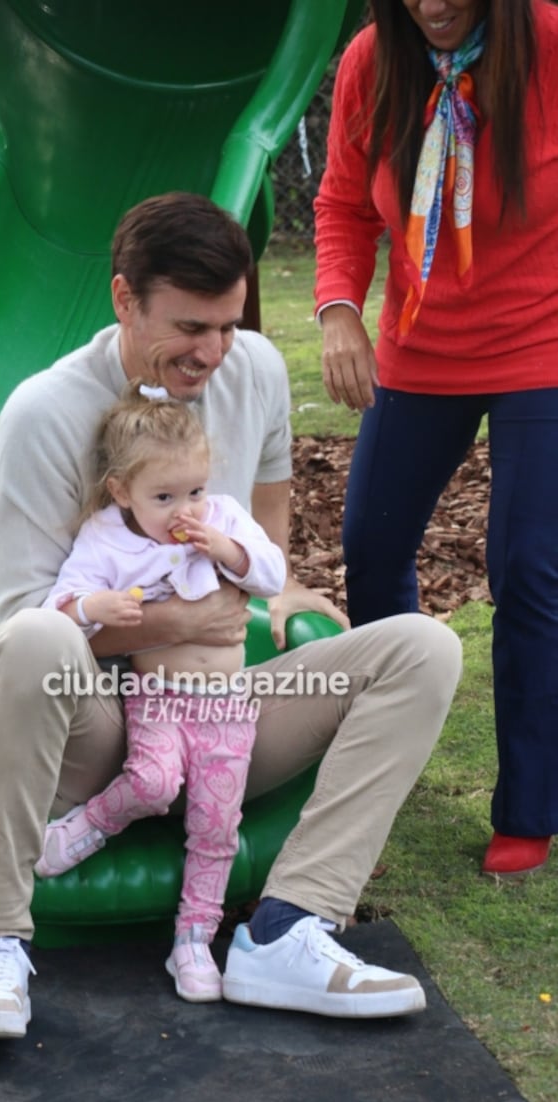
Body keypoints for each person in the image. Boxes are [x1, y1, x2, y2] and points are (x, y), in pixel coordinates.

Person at [0, 191, 462, 1041]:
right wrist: (185, 623)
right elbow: (32, 634)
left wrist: (279, 588)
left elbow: (268, 500)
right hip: (104, 727)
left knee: (421, 648)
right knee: (36, 636)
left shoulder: (251, 367)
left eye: (225, 324)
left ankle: (287, 926)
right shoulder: (42, 415)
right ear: (123, 299)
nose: (212, 352)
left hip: (221, 712)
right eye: (189, 328)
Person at [313, 0, 558, 879]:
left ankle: (529, 802)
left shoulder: (548, 42)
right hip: (419, 344)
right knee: (371, 545)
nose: (434, 3)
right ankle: (390, 743)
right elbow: (344, 203)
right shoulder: (371, 63)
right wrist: (340, 308)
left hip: (541, 343)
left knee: (527, 565)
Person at [37, 379, 287, 1002]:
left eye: (196, 490)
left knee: (215, 823)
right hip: (157, 697)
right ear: (122, 491)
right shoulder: (105, 536)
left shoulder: (221, 518)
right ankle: (86, 826)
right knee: (152, 782)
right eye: (165, 495)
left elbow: (272, 572)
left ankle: (194, 941)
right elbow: (58, 606)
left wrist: (224, 547)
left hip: (226, 705)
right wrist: (97, 605)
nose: (187, 508)